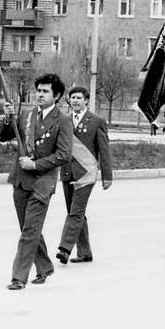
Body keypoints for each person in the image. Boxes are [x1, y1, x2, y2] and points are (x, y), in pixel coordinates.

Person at [0, 73, 73, 290]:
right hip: (21, 181)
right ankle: (45, 266)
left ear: (56, 96)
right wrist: (7, 118)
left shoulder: (63, 120)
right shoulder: (27, 115)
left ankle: (18, 277)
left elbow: (64, 155)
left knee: (30, 232)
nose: (40, 94)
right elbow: (3, 136)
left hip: (42, 183)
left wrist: (35, 165)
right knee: (28, 229)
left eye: (45, 91)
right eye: (38, 90)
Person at [56, 86, 112, 265]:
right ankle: (85, 252)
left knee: (76, 211)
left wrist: (107, 175)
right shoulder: (63, 120)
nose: (75, 101)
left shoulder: (96, 121)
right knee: (76, 213)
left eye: (79, 98)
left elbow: (104, 150)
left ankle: (64, 249)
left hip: (86, 173)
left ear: (86, 100)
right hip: (67, 171)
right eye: (72, 98)